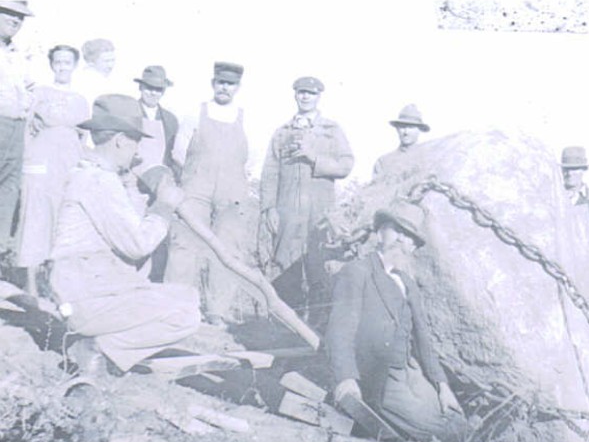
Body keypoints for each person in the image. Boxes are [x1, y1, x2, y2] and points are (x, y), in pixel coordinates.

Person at [49, 104, 200, 375]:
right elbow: (137, 245)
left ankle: (99, 345)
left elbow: (125, 229)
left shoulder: (96, 177)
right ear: (120, 141)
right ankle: (102, 349)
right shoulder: (98, 181)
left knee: (188, 297)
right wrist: (163, 208)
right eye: (135, 143)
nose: (137, 151)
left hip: (91, 289)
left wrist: (131, 187)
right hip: (87, 296)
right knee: (186, 315)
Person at [325, 200, 467, 442]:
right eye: (397, 231)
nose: (403, 240)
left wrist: (442, 386)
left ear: (414, 247)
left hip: (408, 370)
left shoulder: (407, 283)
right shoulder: (357, 272)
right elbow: (340, 331)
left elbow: (423, 339)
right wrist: (345, 378)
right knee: (444, 434)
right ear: (379, 232)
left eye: (410, 237)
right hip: (379, 374)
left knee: (459, 424)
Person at [260, 76, 354, 328]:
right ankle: (286, 325)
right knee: (284, 267)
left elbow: (346, 165)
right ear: (295, 95)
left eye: (310, 94)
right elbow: (270, 173)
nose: (305, 97)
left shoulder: (331, 131)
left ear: (318, 97)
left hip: (319, 213)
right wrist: (269, 208)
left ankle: (319, 327)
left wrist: (315, 158)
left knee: (318, 267)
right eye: (301, 92)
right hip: (288, 211)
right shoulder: (282, 132)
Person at [166, 62, 252, 325]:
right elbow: (178, 153)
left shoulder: (245, 116)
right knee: (184, 244)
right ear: (213, 84)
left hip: (232, 190)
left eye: (230, 84)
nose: (225, 88)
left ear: (238, 87)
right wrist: (196, 176)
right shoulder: (195, 113)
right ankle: (175, 309)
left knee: (227, 247)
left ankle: (217, 310)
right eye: (220, 82)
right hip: (196, 186)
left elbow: (252, 157)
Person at [17, 44, 89, 295]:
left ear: (75, 66)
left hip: (68, 164)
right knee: (35, 217)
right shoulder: (39, 93)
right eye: (57, 62)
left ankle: (56, 282)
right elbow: (26, 129)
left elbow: (84, 137)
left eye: (67, 62)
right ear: (51, 65)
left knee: (63, 218)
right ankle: (31, 283)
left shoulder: (81, 100)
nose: (62, 67)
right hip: (39, 162)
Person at [132, 65, 179, 282]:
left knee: (158, 237)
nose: (152, 93)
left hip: (158, 186)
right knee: (132, 237)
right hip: (132, 185)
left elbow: (170, 154)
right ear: (141, 87)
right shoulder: (130, 111)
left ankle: (154, 286)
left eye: (158, 90)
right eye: (149, 88)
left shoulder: (169, 119)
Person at [0, 0, 35, 260]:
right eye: (9, 13)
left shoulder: (18, 54)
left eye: (20, 17)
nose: (15, 20)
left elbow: (30, 90)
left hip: (16, 126)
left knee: (10, 187)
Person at [372, 104, 430, 180]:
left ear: (419, 130)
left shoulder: (428, 158)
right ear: (397, 129)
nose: (406, 132)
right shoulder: (384, 162)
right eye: (402, 127)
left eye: (411, 127)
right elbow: (377, 190)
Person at [73, 38, 117, 106]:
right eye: (106, 61)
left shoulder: (105, 79)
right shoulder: (87, 80)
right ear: (92, 62)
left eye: (112, 60)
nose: (110, 65)